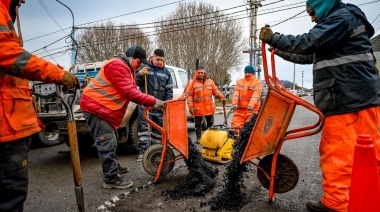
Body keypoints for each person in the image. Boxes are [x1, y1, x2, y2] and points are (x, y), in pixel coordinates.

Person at [259, 0, 380, 211]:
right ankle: (363, 198)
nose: (312, 17)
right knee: (364, 156)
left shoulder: (341, 18)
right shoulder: (342, 24)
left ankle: (336, 205)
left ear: (323, 5)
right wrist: (278, 49)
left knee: (338, 154)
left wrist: (274, 37)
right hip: (356, 100)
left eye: (312, 12)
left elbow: (308, 42)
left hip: (348, 101)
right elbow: (310, 54)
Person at [0, 0, 81, 211]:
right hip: (5, 126)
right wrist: (57, 74)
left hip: (10, 120)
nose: (24, 1)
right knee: (10, 197)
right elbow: (6, 53)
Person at [79, 45, 164, 189]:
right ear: (131, 58)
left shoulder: (127, 69)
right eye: (138, 62)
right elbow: (130, 92)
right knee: (106, 142)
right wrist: (153, 101)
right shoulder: (117, 66)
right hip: (97, 108)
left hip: (105, 109)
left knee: (112, 140)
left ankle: (113, 167)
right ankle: (110, 178)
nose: (139, 65)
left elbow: (133, 89)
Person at [135, 49, 173, 161]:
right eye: (158, 59)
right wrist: (140, 75)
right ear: (153, 57)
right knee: (144, 129)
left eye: (162, 60)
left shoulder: (166, 72)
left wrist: (167, 103)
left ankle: (155, 151)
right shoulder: (144, 68)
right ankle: (143, 152)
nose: (160, 62)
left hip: (160, 105)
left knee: (158, 130)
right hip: (145, 105)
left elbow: (169, 90)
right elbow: (135, 83)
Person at [187, 68, 226, 143]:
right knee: (198, 124)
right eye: (199, 73)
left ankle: (209, 137)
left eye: (202, 73)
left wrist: (222, 97)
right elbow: (189, 96)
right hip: (198, 108)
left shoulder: (210, 82)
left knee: (210, 123)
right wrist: (190, 107)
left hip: (209, 108)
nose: (200, 74)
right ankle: (199, 138)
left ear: (205, 73)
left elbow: (216, 91)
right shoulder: (193, 83)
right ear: (196, 74)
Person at [231, 65, 262, 130]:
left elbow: (256, 94)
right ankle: (236, 139)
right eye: (246, 72)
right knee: (235, 127)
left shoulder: (257, 82)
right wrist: (234, 103)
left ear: (252, 73)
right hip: (240, 110)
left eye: (249, 72)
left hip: (252, 110)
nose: (247, 74)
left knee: (250, 129)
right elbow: (235, 93)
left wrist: (251, 105)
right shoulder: (240, 81)